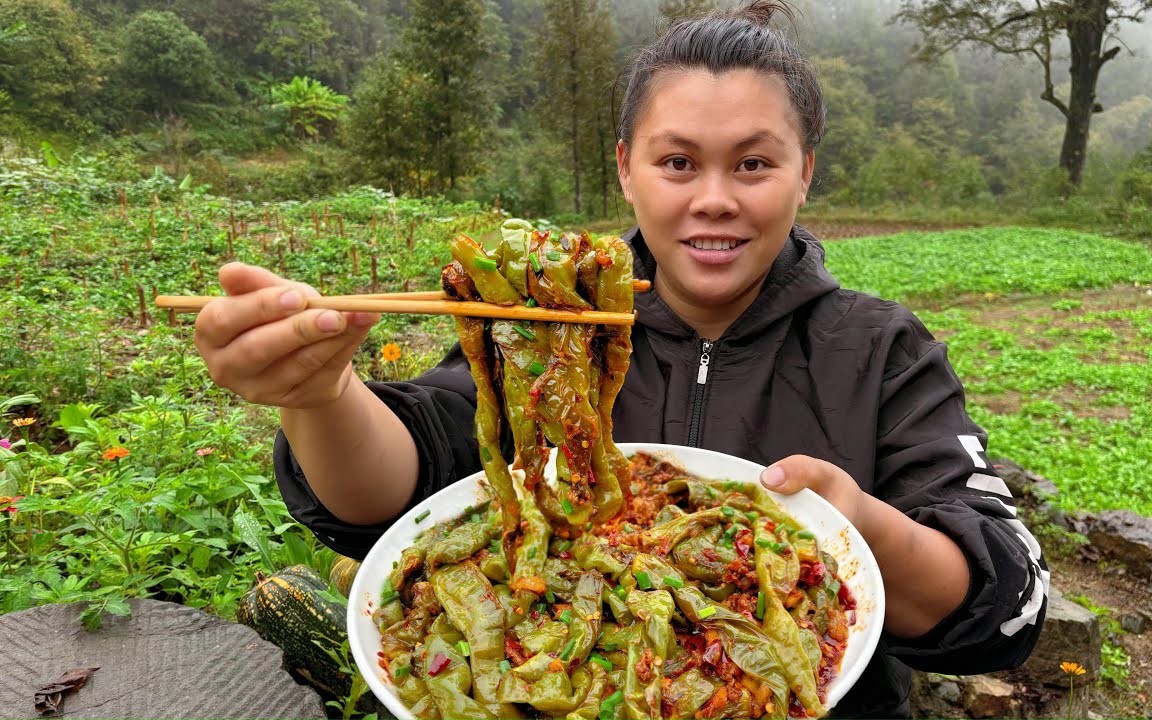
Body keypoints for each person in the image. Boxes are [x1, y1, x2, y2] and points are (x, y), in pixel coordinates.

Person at [194, 2, 1048, 716]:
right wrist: (319, 394)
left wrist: (850, 522)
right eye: (677, 161)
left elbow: (1006, 608)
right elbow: (407, 476)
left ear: (805, 173)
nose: (714, 198)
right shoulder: (547, 325)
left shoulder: (880, 349)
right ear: (627, 171)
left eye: (754, 163)